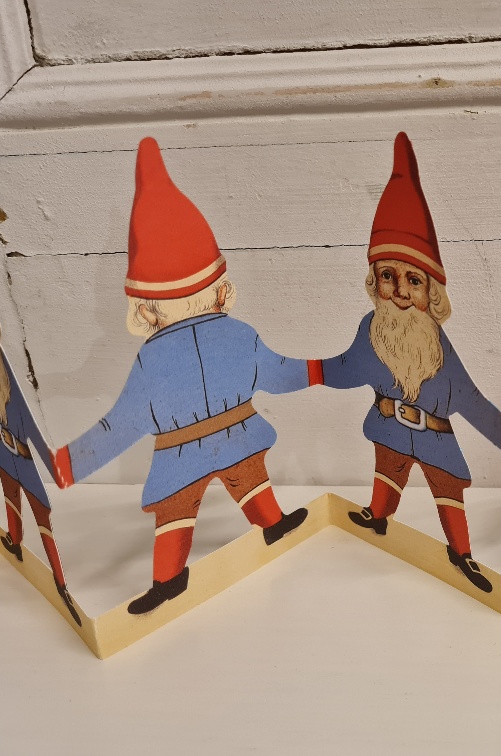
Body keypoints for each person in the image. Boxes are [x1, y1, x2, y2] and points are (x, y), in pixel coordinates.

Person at [53, 138, 316, 615]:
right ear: (220, 290)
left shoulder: (155, 358)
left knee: (179, 510)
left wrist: (71, 464)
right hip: (235, 433)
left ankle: (171, 579)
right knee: (245, 478)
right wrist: (323, 370)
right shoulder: (236, 333)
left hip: (181, 452)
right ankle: (268, 525)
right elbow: (279, 372)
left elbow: (122, 423)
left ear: (146, 309)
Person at [311, 133, 501, 594]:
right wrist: (304, 371)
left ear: (431, 293)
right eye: (389, 276)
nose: (400, 291)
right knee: (388, 467)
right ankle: (378, 516)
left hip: (435, 436)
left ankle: (461, 553)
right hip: (387, 424)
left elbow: (471, 398)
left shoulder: (438, 348)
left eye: (413, 280)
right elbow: (344, 368)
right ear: (375, 282)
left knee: (448, 489)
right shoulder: (371, 331)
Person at [0, 304, 81, 625]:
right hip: (3, 455)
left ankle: (60, 583)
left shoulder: (6, 378)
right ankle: (15, 542)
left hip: (22, 459)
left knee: (42, 514)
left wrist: (55, 468)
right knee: (10, 497)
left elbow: (29, 427)